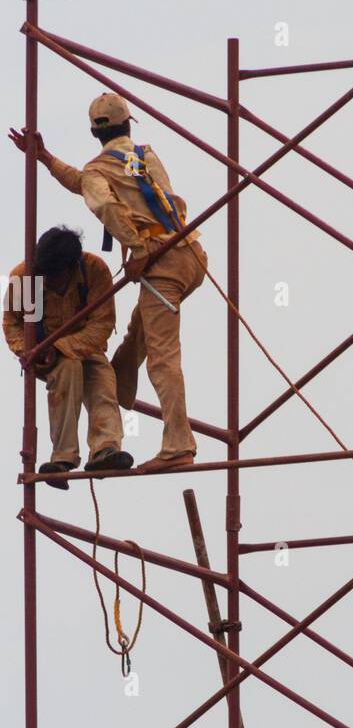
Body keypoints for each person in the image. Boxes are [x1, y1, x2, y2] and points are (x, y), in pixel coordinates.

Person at [9, 92, 208, 472]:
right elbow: (90, 183)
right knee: (139, 333)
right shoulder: (142, 157)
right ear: (128, 124)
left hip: (160, 264)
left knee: (161, 360)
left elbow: (102, 202)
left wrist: (137, 250)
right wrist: (46, 159)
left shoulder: (92, 271)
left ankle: (176, 445)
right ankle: (109, 395)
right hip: (189, 255)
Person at [3, 225, 133, 490]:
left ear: (72, 266)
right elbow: (12, 324)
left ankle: (105, 449)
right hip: (45, 356)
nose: (49, 281)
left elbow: (101, 324)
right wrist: (27, 351)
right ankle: (63, 457)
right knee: (68, 371)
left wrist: (62, 346)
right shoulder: (27, 278)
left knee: (104, 382)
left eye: (55, 276)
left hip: (88, 347)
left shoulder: (93, 271)